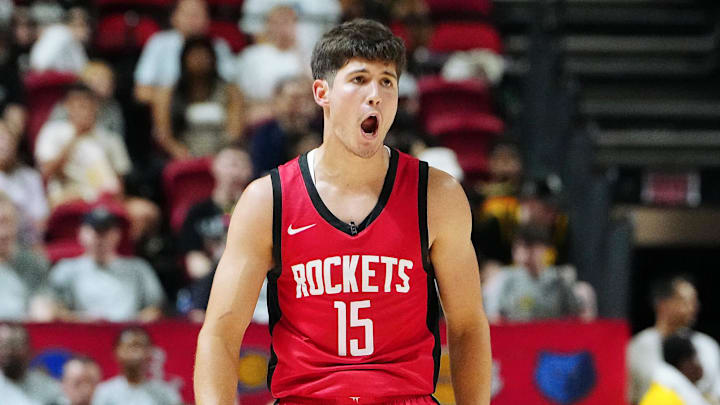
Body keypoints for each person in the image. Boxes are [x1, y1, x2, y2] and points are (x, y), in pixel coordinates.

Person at [195, 19, 491, 404]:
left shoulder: (436, 195)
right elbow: (220, 332)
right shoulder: (268, 200)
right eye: (359, 79)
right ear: (322, 92)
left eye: (387, 81)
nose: (376, 94)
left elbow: (467, 326)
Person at [47, 207, 166, 322]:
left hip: (127, 335)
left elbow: (155, 309)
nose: (100, 238)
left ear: (117, 234)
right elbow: (54, 309)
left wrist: (130, 323)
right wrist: (82, 320)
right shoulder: (66, 269)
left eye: (105, 232)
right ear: (81, 233)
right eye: (95, 231)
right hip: (81, 335)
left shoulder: (138, 268)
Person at [628, 276, 720, 404]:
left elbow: (716, 394)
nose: (693, 307)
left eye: (694, 301)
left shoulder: (707, 345)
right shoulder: (639, 346)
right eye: (685, 301)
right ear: (662, 304)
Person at [152, 36, 245, 159]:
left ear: (213, 59)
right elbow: (163, 134)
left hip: (223, 153)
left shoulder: (230, 90)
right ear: (184, 60)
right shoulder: (169, 94)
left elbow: (235, 130)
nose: (199, 60)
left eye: (204, 56)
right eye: (194, 56)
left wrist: (220, 155)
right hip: (183, 155)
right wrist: (182, 153)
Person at [133, 0, 235, 104]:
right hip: (173, 111)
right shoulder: (159, 43)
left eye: (198, 14)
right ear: (173, 18)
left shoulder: (219, 46)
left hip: (213, 110)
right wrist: (175, 102)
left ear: (208, 19)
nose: (193, 19)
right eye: (187, 14)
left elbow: (232, 89)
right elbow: (141, 92)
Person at [494, 224, 581, 322]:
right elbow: (498, 316)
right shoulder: (507, 279)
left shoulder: (559, 280)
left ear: (544, 248)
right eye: (518, 247)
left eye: (530, 247)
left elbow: (574, 317)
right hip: (517, 334)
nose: (524, 253)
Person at [235, 5, 306, 124]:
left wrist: (298, 51)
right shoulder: (252, 55)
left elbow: (310, 91)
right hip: (263, 111)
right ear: (267, 26)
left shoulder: (305, 56)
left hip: (299, 114)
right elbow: (241, 95)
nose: (282, 28)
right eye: (277, 22)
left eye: (287, 22)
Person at [249, 75, 320, 177]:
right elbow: (264, 176)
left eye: (308, 98)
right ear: (278, 101)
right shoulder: (264, 134)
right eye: (295, 99)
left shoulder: (323, 129)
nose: (303, 105)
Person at [92, 327, 181, 405]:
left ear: (150, 352)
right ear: (116, 352)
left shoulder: (164, 392)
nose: (135, 352)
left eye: (140, 346)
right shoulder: (104, 392)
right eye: (129, 347)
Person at [0, 194, 51, 321]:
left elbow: (41, 304)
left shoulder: (34, 263)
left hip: (21, 333)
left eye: (7, 222)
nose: (3, 232)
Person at [0, 121, 48, 246]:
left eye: (7, 140)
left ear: (15, 144)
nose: (3, 145)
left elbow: (40, 219)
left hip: (24, 242)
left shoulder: (31, 177)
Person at [639, 332, 709, 405]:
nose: (700, 365)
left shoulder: (665, 390)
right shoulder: (665, 397)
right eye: (695, 358)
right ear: (685, 363)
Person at [0, 324, 63, 405]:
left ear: (29, 350)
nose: (8, 351)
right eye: (3, 346)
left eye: (15, 345)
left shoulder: (45, 385)